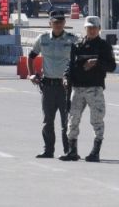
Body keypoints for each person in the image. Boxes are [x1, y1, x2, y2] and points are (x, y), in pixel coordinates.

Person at [60, 15, 116, 162]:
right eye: (89, 28)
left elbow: (112, 66)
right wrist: (66, 77)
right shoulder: (77, 45)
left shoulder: (103, 46)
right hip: (77, 89)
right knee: (73, 120)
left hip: (94, 89)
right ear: (85, 28)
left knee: (97, 120)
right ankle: (72, 151)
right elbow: (69, 65)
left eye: (94, 28)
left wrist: (97, 62)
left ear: (99, 29)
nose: (91, 30)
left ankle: (95, 152)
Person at [28, 9, 77, 158]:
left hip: (65, 87)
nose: (58, 25)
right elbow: (31, 56)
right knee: (47, 121)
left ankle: (68, 151)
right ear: (50, 23)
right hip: (48, 86)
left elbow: (79, 60)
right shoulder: (42, 39)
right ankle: (48, 150)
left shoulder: (72, 39)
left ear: (64, 23)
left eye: (61, 22)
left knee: (66, 122)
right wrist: (32, 74)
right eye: (55, 22)